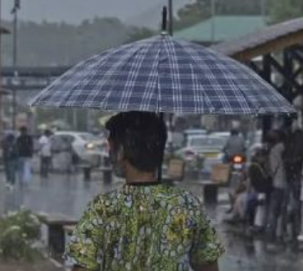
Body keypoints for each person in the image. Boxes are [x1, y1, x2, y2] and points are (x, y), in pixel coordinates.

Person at [65, 111, 223, 271]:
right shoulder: (188, 205)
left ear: (120, 152)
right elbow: (208, 265)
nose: (108, 153)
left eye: (111, 146)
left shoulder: (102, 208)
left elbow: (82, 267)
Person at [264, 131, 289, 242]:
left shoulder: (274, 151)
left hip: (277, 183)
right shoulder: (285, 148)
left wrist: (267, 165)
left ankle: (271, 234)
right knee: (284, 210)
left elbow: (271, 171)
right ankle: (282, 233)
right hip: (286, 183)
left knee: (274, 211)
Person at [246, 147, 272, 232]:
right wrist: (249, 190)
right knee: (259, 208)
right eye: (263, 157)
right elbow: (250, 180)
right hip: (259, 191)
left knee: (257, 208)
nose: (264, 159)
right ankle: (255, 225)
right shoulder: (256, 166)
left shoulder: (258, 166)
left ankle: (254, 225)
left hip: (259, 190)